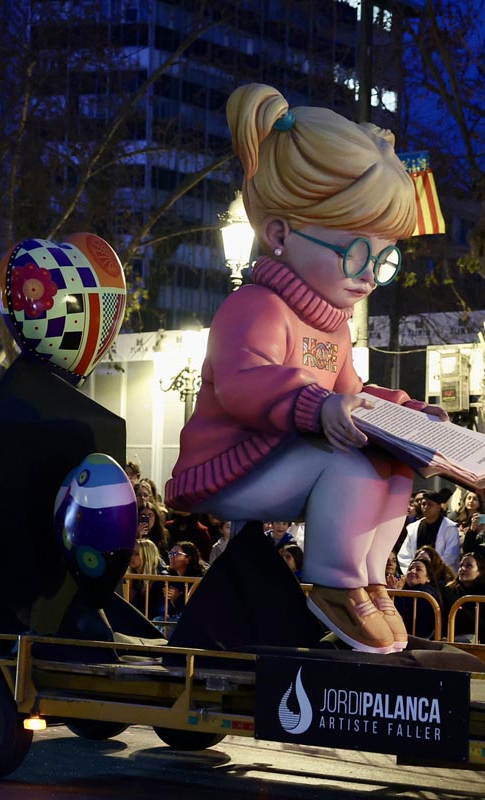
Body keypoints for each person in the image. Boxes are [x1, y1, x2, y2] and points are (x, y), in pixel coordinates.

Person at [163, 83, 447, 654]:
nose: (368, 275)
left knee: (393, 461)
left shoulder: (334, 326)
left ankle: (368, 576)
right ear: (279, 235)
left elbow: (351, 392)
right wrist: (320, 406)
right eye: (356, 252)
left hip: (279, 458)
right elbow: (248, 383)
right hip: (231, 465)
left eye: (382, 259)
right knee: (351, 469)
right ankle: (336, 585)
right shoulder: (255, 307)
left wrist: (409, 418)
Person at [442, 551, 485, 643]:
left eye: (469, 566)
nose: (462, 569)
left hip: (477, 641)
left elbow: (484, 627)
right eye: (461, 565)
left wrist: (457, 605)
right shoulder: (450, 591)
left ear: (480, 571)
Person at [397, 490, 460, 575]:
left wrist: (432, 572)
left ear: (438, 507)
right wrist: (414, 570)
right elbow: (404, 555)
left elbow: (451, 555)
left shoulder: (450, 527)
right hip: (416, 575)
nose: (425, 507)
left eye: (429, 504)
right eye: (423, 504)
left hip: (442, 576)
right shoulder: (414, 528)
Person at [394, 557, 443, 640]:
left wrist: (397, 597)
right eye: (410, 569)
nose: (413, 571)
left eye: (418, 569)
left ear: (428, 578)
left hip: (420, 640)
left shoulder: (428, 594)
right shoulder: (402, 591)